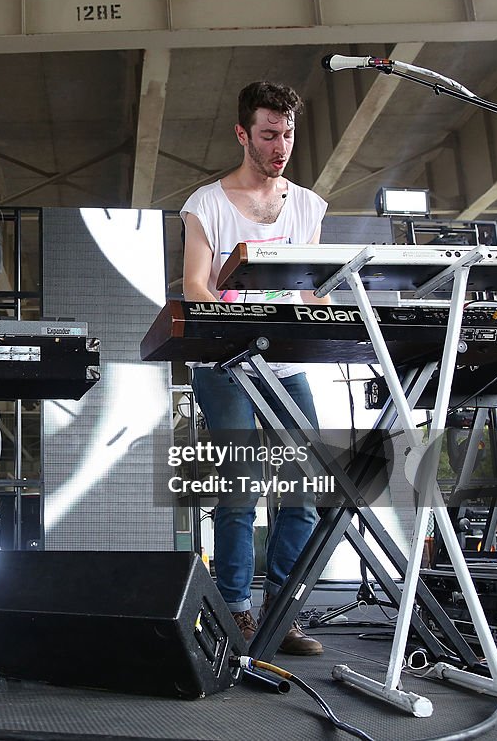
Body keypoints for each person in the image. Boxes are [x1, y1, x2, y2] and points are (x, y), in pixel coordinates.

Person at [181, 81, 326, 655]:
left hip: (286, 363)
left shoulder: (309, 205)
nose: (280, 145)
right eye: (268, 134)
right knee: (241, 487)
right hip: (225, 361)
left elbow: (309, 288)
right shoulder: (207, 204)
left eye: (288, 134)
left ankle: (282, 613)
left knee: (307, 487)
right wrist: (232, 322)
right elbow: (196, 283)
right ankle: (234, 610)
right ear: (243, 134)